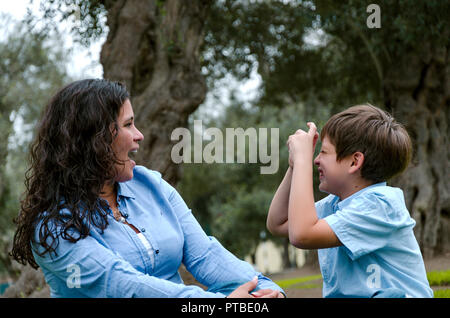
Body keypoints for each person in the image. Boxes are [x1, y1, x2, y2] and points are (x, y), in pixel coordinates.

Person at [10, 78, 284, 298]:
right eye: (128, 124)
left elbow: (205, 255)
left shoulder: (151, 184)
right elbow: (123, 286)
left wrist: (267, 289)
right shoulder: (54, 226)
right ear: (93, 139)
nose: (139, 134)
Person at [266, 104, 433, 298]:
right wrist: (295, 165)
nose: (316, 160)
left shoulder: (380, 206)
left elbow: (302, 235)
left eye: (324, 152)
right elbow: (278, 223)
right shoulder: (334, 205)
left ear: (354, 162)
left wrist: (303, 159)